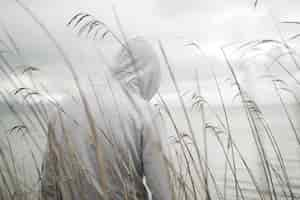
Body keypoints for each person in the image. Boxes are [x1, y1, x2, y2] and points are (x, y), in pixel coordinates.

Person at [41, 37, 173, 200]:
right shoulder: (146, 114)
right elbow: (163, 191)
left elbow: (49, 186)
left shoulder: (62, 109)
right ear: (150, 76)